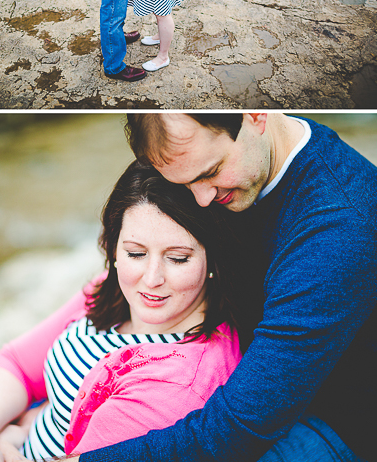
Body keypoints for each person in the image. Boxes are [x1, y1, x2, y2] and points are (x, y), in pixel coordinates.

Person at [72, 113, 376, 462]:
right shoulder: (250, 153)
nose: (201, 200)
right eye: (184, 183)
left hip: (336, 421)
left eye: (211, 172)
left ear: (256, 115)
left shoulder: (337, 233)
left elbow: (236, 431)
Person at [0, 161, 244, 461]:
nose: (151, 279)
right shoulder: (112, 290)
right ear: (114, 248)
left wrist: (8, 445)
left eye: (177, 258)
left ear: (212, 257)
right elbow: (17, 364)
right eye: (135, 253)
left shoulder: (181, 379)